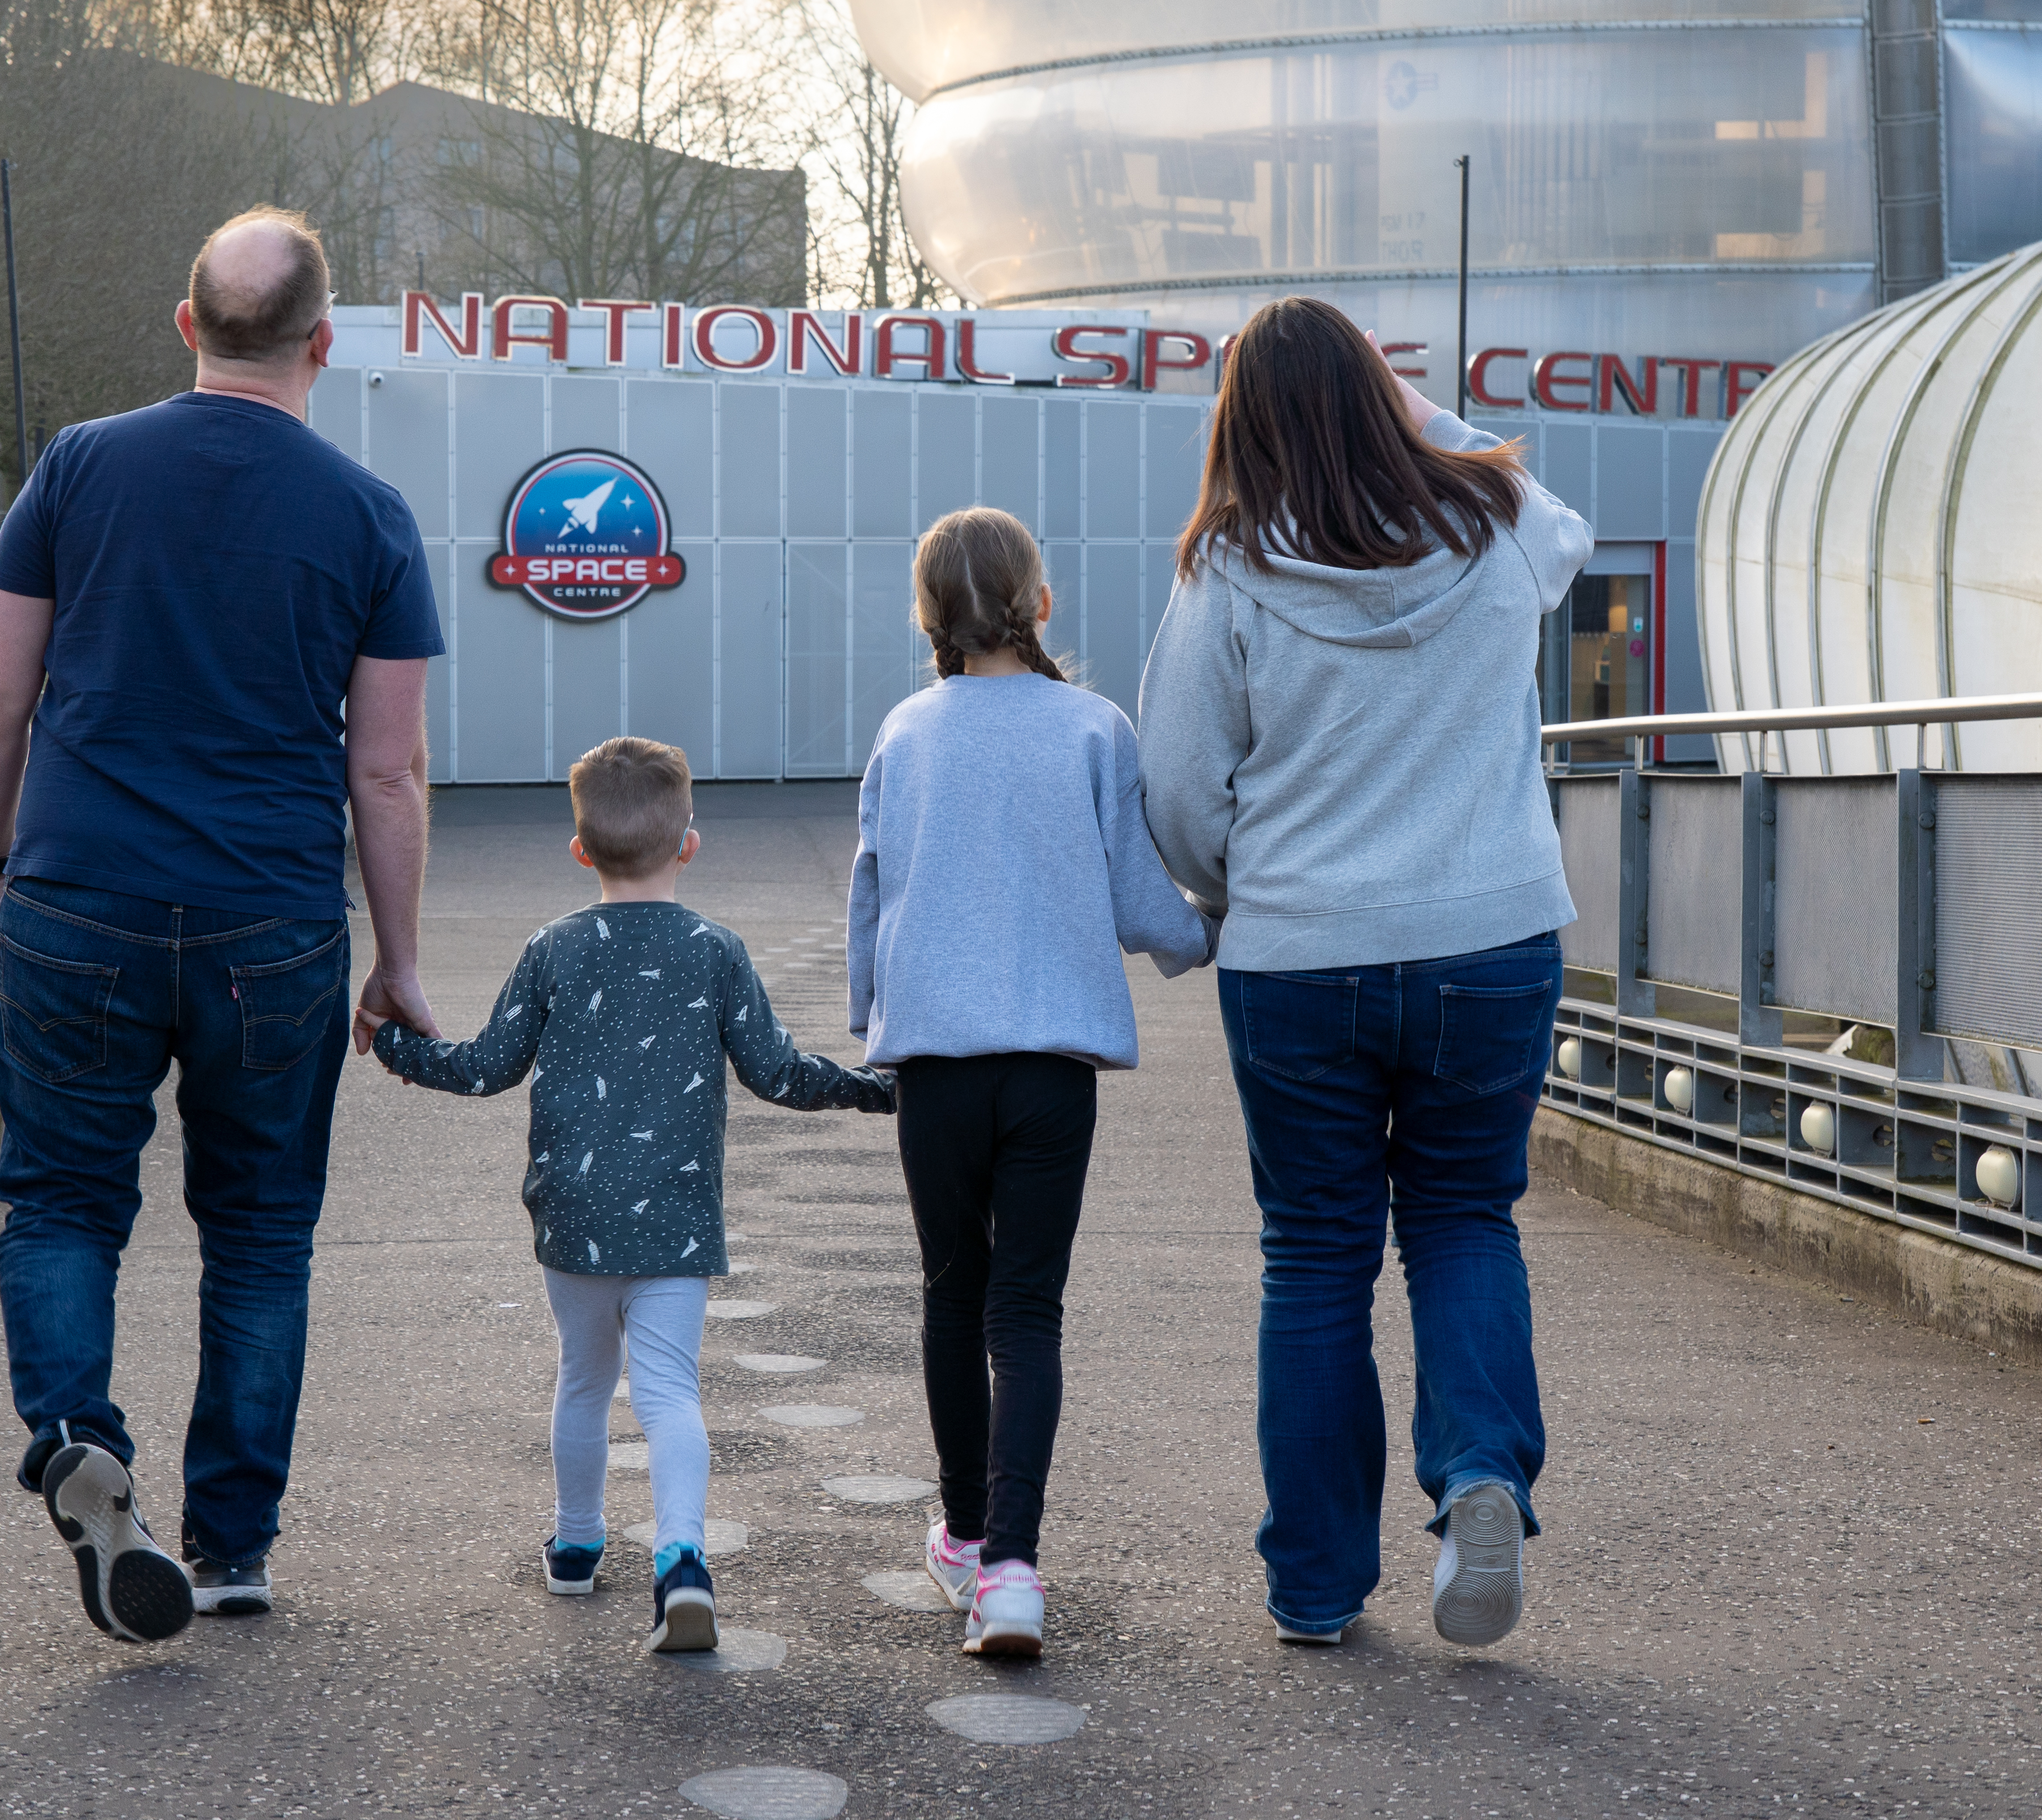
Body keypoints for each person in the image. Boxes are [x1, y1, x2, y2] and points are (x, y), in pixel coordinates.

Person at [0, 208, 444, 1645]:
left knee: (63, 1200)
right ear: (323, 344)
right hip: (274, 926)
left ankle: (77, 1442)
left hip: (79, 898)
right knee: (263, 1233)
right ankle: (232, 1545)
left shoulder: (80, 466)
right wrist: (397, 961)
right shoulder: (368, 513)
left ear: (185, 326)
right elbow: (388, 768)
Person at [1136, 296, 1592, 1651]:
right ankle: (1481, 1477)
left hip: (1297, 958)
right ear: (1386, 400)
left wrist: (1237, 889)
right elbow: (1557, 517)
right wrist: (1426, 423)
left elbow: (1173, 787)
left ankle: (1320, 1586)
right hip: (1490, 939)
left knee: (1319, 1257)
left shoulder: (1224, 564)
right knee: (1463, 1221)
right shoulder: (1499, 524)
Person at [373, 736, 893, 1655]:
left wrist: (391, 1045)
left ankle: (577, 1548)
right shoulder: (715, 950)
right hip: (677, 1215)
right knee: (669, 1392)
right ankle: (683, 1561)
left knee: (583, 1381)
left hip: (572, 1216)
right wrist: (872, 1087)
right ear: (688, 843)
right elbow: (775, 1074)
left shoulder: (553, 949)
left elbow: (489, 1066)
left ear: (580, 851)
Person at [846, 508, 1212, 1660]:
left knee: (953, 1299)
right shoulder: (1095, 729)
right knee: (1028, 1311)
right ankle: (1011, 1565)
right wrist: (1206, 934)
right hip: (1054, 1067)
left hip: (939, 1065)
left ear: (928, 618)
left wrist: (874, 1009)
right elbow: (1139, 893)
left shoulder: (906, 730)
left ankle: (960, 1531)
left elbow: (873, 885)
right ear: (1038, 604)